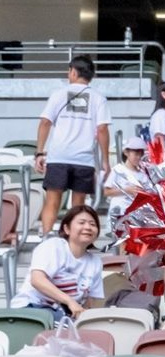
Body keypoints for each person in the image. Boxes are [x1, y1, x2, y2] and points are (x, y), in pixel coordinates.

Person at [33, 55, 110, 236]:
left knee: (52, 201)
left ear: (73, 72)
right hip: (84, 159)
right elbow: (102, 129)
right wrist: (105, 160)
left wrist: (39, 152)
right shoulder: (98, 98)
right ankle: (74, 240)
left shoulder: (58, 94)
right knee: (78, 205)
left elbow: (45, 122)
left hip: (58, 156)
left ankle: (47, 237)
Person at [12, 204, 101, 316]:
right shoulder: (53, 246)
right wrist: (69, 301)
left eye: (93, 224)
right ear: (67, 229)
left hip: (63, 316)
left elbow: (90, 301)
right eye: (81, 223)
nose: (88, 227)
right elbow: (37, 280)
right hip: (32, 308)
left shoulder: (95, 262)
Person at [103, 140, 146, 226]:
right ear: (126, 153)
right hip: (118, 213)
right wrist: (126, 190)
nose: (138, 157)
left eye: (140, 155)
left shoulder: (143, 174)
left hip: (136, 215)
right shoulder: (118, 170)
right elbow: (106, 192)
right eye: (136, 154)